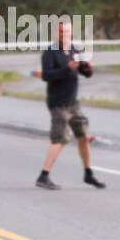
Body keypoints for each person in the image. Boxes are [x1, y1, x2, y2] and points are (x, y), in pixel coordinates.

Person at [36, 19, 104, 190]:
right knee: (60, 139)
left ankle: (88, 173)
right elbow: (46, 75)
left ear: (71, 32)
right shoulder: (50, 52)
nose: (64, 35)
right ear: (55, 33)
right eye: (60, 32)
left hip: (73, 103)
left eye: (66, 32)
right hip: (58, 103)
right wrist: (67, 68)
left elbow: (84, 72)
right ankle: (44, 175)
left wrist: (87, 68)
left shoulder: (73, 48)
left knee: (83, 136)